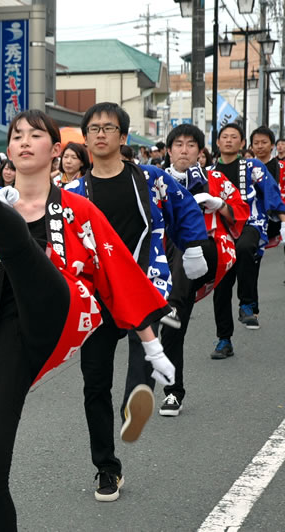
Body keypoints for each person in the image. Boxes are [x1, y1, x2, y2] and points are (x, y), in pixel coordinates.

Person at [0, 112, 173, 531]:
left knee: (26, 252)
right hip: (5, 328)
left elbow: (118, 274)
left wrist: (151, 345)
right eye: (17, 136)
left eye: (36, 135)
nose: (25, 141)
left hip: (62, 310)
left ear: (56, 150)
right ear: (8, 151)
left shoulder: (80, 209)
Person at [65, 102, 207, 502]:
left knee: (144, 345)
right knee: (94, 383)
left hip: (145, 282)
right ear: (86, 137)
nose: (100, 134)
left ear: (123, 137)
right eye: (92, 128)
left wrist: (194, 246)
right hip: (95, 297)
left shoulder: (150, 179)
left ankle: (135, 404)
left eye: (109, 127)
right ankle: (106, 468)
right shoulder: (73, 193)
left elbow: (186, 207)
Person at [121, 124, 249, 417]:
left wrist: (220, 205)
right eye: (178, 144)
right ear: (168, 150)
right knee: (173, 322)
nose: (184, 150)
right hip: (163, 256)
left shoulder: (214, 178)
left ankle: (172, 307)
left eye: (191, 145)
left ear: (201, 152)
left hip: (206, 249)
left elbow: (241, 212)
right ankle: (173, 391)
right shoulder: (152, 178)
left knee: (180, 272)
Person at [210, 123, 285, 350]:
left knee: (245, 248)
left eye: (234, 137)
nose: (229, 140)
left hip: (252, 222)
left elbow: (270, 190)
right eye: (225, 137)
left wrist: (282, 222)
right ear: (218, 143)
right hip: (222, 230)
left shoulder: (252, 166)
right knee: (221, 285)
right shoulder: (210, 173)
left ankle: (247, 304)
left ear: (242, 143)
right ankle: (224, 339)